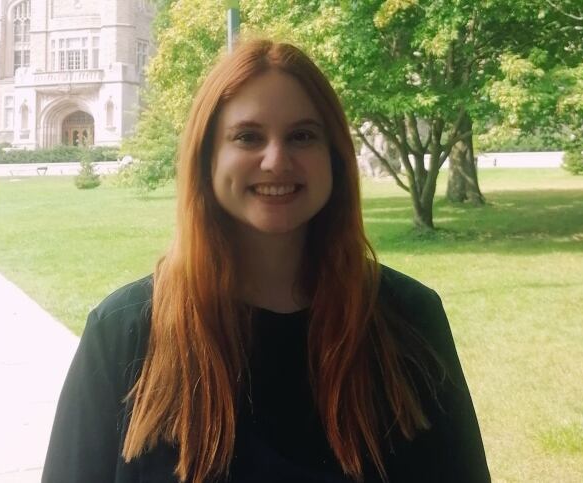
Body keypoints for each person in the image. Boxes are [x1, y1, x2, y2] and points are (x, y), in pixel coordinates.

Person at [42, 39, 490, 483]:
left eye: (302, 136)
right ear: (208, 158)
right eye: (248, 137)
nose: (276, 160)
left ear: (333, 157)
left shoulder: (407, 317)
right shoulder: (125, 331)